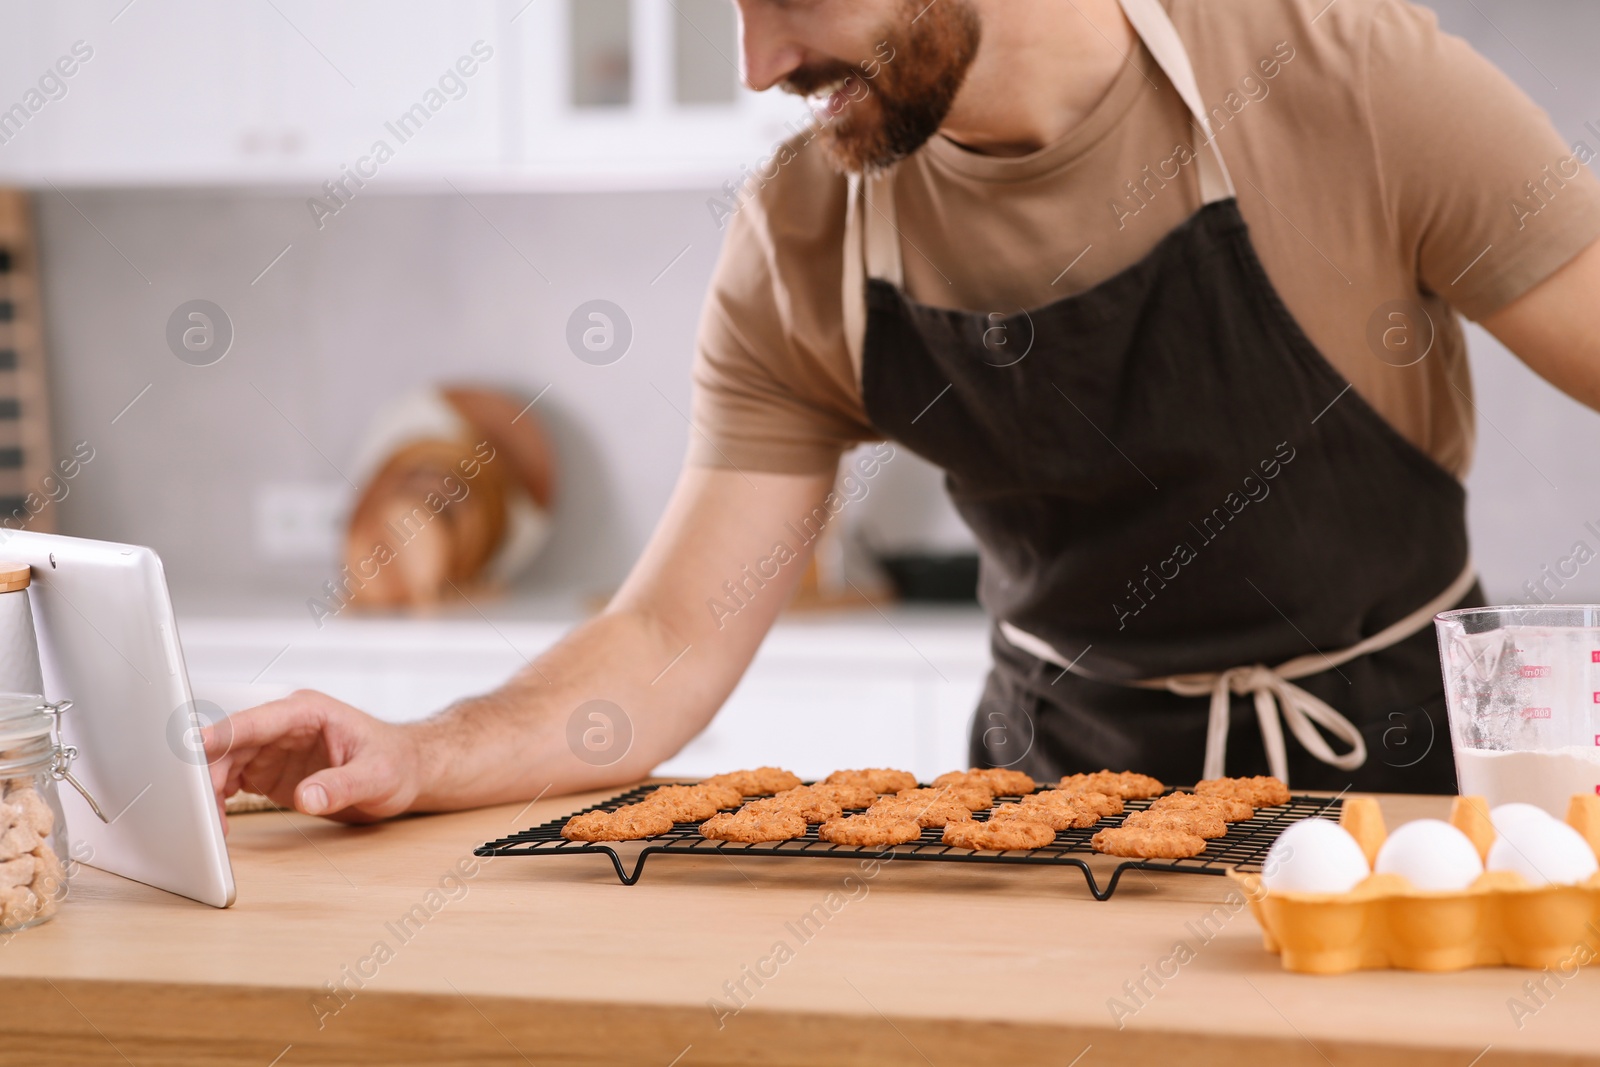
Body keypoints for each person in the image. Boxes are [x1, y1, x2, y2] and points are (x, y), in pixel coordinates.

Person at [204, 0, 1600, 824]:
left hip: (1408, 809)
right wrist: (422, 751)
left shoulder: (1346, 82)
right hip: (1055, 822)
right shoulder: (801, 239)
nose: (757, 64)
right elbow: (667, 638)